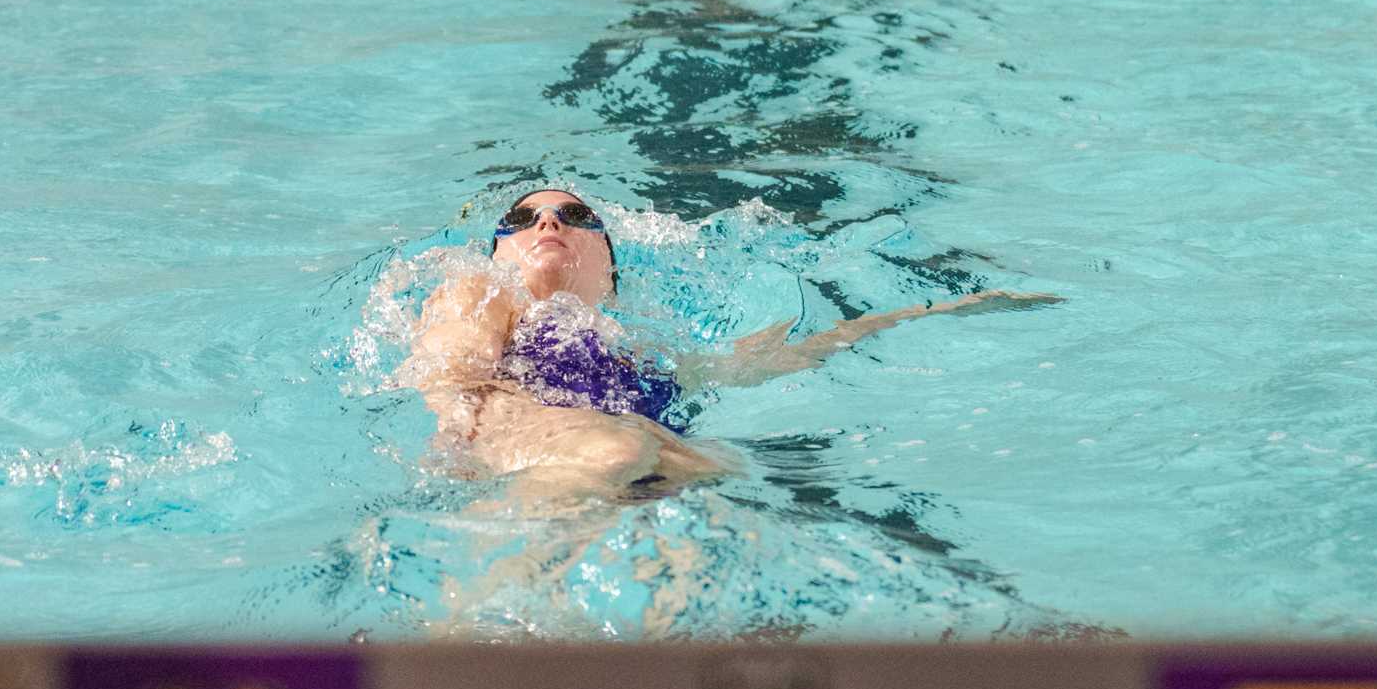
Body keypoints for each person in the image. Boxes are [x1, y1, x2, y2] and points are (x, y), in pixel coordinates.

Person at [401, 187, 1059, 506]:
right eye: (519, 219)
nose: (547, 221)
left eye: (576, 216)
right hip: (522, 445)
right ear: (495, 252)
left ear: (609, 266)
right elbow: (454, 375)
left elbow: (777, 357)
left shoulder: (637, 354)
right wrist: (468, 429)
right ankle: (466, 614)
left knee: (722, 473)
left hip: (636, 475)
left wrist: (937, 311)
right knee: (625, 445)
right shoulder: (479, 294)